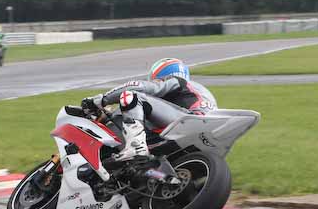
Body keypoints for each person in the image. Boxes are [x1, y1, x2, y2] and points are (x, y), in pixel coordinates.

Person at [81, 58, 217, 162]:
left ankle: (136, 147)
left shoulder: (177, 81)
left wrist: (102, 100)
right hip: (205, 132)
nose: (153, 82)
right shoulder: (194, 92)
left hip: (190, 120)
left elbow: (140, 87)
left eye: (154, 80)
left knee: (132, 96)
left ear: (163, 76)